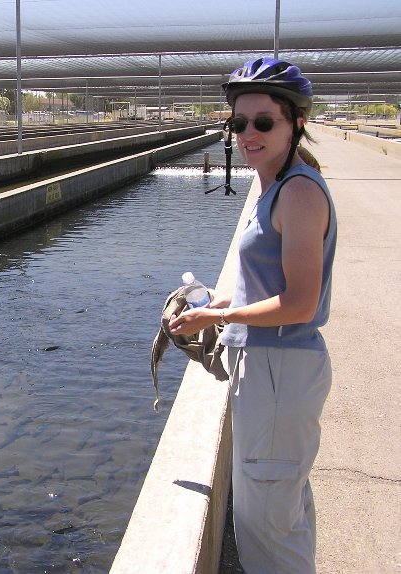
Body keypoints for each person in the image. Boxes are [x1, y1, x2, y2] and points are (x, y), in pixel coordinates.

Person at [168, 57, 337, 574]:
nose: (249, 133)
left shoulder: (300, 192)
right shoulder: (272, 185)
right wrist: (219, 304)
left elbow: (300, 303)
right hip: (269, 368)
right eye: (239, 123)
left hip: (278, 371)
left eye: (265, 122)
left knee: (265, 529)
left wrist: (213, 321)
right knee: (280, 512)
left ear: (296, 123)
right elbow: (269, 282)